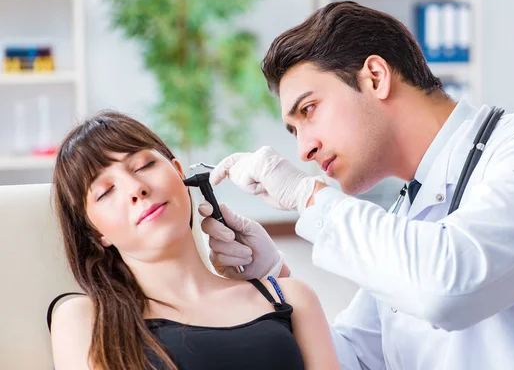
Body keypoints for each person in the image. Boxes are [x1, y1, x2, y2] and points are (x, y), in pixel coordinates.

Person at [200, 1, 514, 369]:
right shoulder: (406, 215)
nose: (304, 149)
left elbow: (450, 288)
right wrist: (274, 277)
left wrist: (309, 197)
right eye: (293, 130)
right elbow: (354, 359)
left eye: (309, 111)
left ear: (375, 77)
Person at [47, 111, 340, 370]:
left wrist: (275, 270)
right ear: (96, 233)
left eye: (143, 166)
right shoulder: (86, 320)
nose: (136, 188)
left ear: (178, 172)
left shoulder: (289, 296)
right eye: (105, 191)